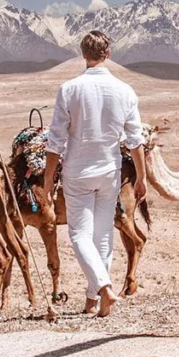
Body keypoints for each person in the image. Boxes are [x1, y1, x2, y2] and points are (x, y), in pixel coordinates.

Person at [43, 30, 147, 317]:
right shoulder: (125, 91)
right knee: (103, 236)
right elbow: (135, 140)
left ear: (83, 54)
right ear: (109, 53)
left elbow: (56, 140)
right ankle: (93, 301)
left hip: (77, 172)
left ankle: (103, 289)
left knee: (79, 235)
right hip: (110, 171)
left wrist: (48, 177)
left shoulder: (69, 89)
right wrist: (141, 177)